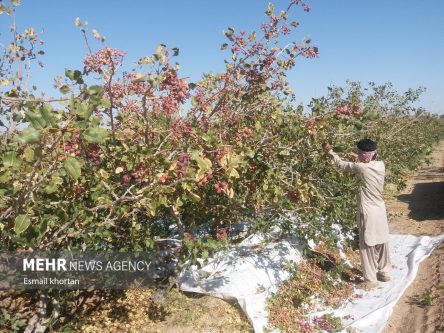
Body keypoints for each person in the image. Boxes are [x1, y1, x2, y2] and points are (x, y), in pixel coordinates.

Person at [323, 138, 392, 289]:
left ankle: (370, 280)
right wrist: (358, 157)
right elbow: (365, 163)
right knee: (382, 241)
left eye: (360, 153)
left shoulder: (361, 168)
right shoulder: (380, 165)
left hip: (367, 211)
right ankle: (385, 272)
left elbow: (341, 164)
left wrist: (329, 152)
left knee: (367, 245)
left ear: (363, 155)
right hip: (380, 209)